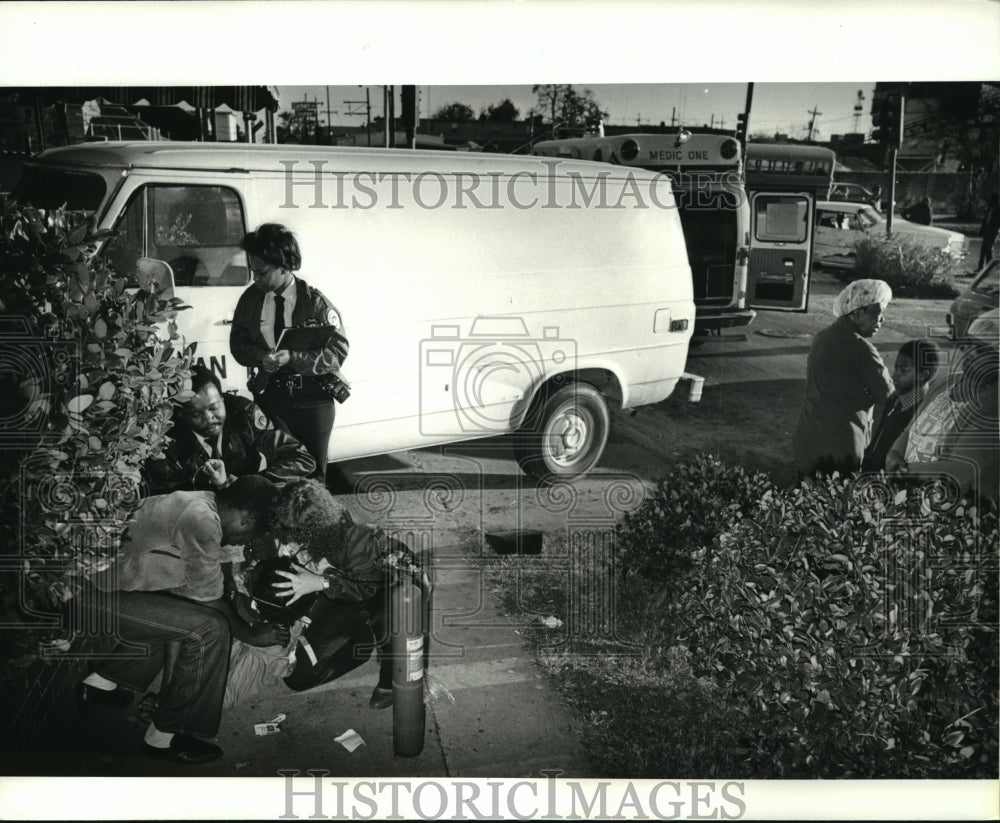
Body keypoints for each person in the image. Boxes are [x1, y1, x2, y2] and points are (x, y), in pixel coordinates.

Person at [75, 476, 282, 765]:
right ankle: (163, 737)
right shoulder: (201, 521)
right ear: (246, 518)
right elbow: (209, 600)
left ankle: (98, 685)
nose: (242, 542)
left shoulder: (203, 502)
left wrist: (173, 683)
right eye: (249, 536)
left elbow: (198, 590)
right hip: (89, 598)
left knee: (185, 613)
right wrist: (252, 635)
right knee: (211, 628)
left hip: (102, 588)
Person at [225, 479, 425, 710]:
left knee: (394, 615)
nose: (289, 541)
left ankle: (380, 661)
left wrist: (322, 581)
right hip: (328, 588)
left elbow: (366, 586)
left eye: (296, 536)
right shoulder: (281, 517)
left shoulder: (356, 538)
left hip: (381, 586)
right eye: (284, 532)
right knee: (296, 672)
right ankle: (349, 629)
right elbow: (259, 546)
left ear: (318, 530)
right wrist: (262, 562)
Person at [229, 223, 349, 482]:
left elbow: (337, 352)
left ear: (284, 266)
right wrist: (262, 357)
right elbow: (237, 344)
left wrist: (293, 358)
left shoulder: (315, 302)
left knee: (314, 475)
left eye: (261, 272)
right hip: (273, 399)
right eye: (252, 271)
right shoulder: (250, 300)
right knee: (282, 471)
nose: (255, 279)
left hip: (314, 400)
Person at [143, 364, 315, 495]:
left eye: (213, 407)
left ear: (223, 398)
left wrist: (251, 484)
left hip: (249, 504)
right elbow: (171, 500)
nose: (209, 417)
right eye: (195, 413)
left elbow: (300, 458)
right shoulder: (165, 442)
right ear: (181, 415)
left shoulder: (243, 413)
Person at [886, 310, 999, 505]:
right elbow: (910, 430)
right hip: (907, 494)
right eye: (970, 344)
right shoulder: (946, 383)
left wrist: (903, 472)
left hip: (952, 511)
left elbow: (962, 470)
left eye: (980, 350)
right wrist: (894, 455)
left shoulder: (993, 406)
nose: (969, 353)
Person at [793, 279, 894, 479]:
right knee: (838, 504)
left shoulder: (821, 337)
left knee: (805, 502)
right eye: (875, 313)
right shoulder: (862, 349)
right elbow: (888, 396)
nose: (881, 320)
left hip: (808, 438)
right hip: (842, 444)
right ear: (856, 312)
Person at [862, 339, 942, 472]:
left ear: (923, 375)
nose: (894, 376)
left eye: (903, 371)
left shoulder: (922, 413)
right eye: (896, 368)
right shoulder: (895, 400)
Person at [978, 192, 1000, 270]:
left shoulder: (998, 209)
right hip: (987, 231)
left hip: (993, 232)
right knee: (983, 249)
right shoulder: (989, 208)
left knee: (989, 249)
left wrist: (996, 230)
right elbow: (985, 220)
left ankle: (988, 268)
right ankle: (980, 267)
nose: (989, 200)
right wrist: (982, 230)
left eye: (991, 199)